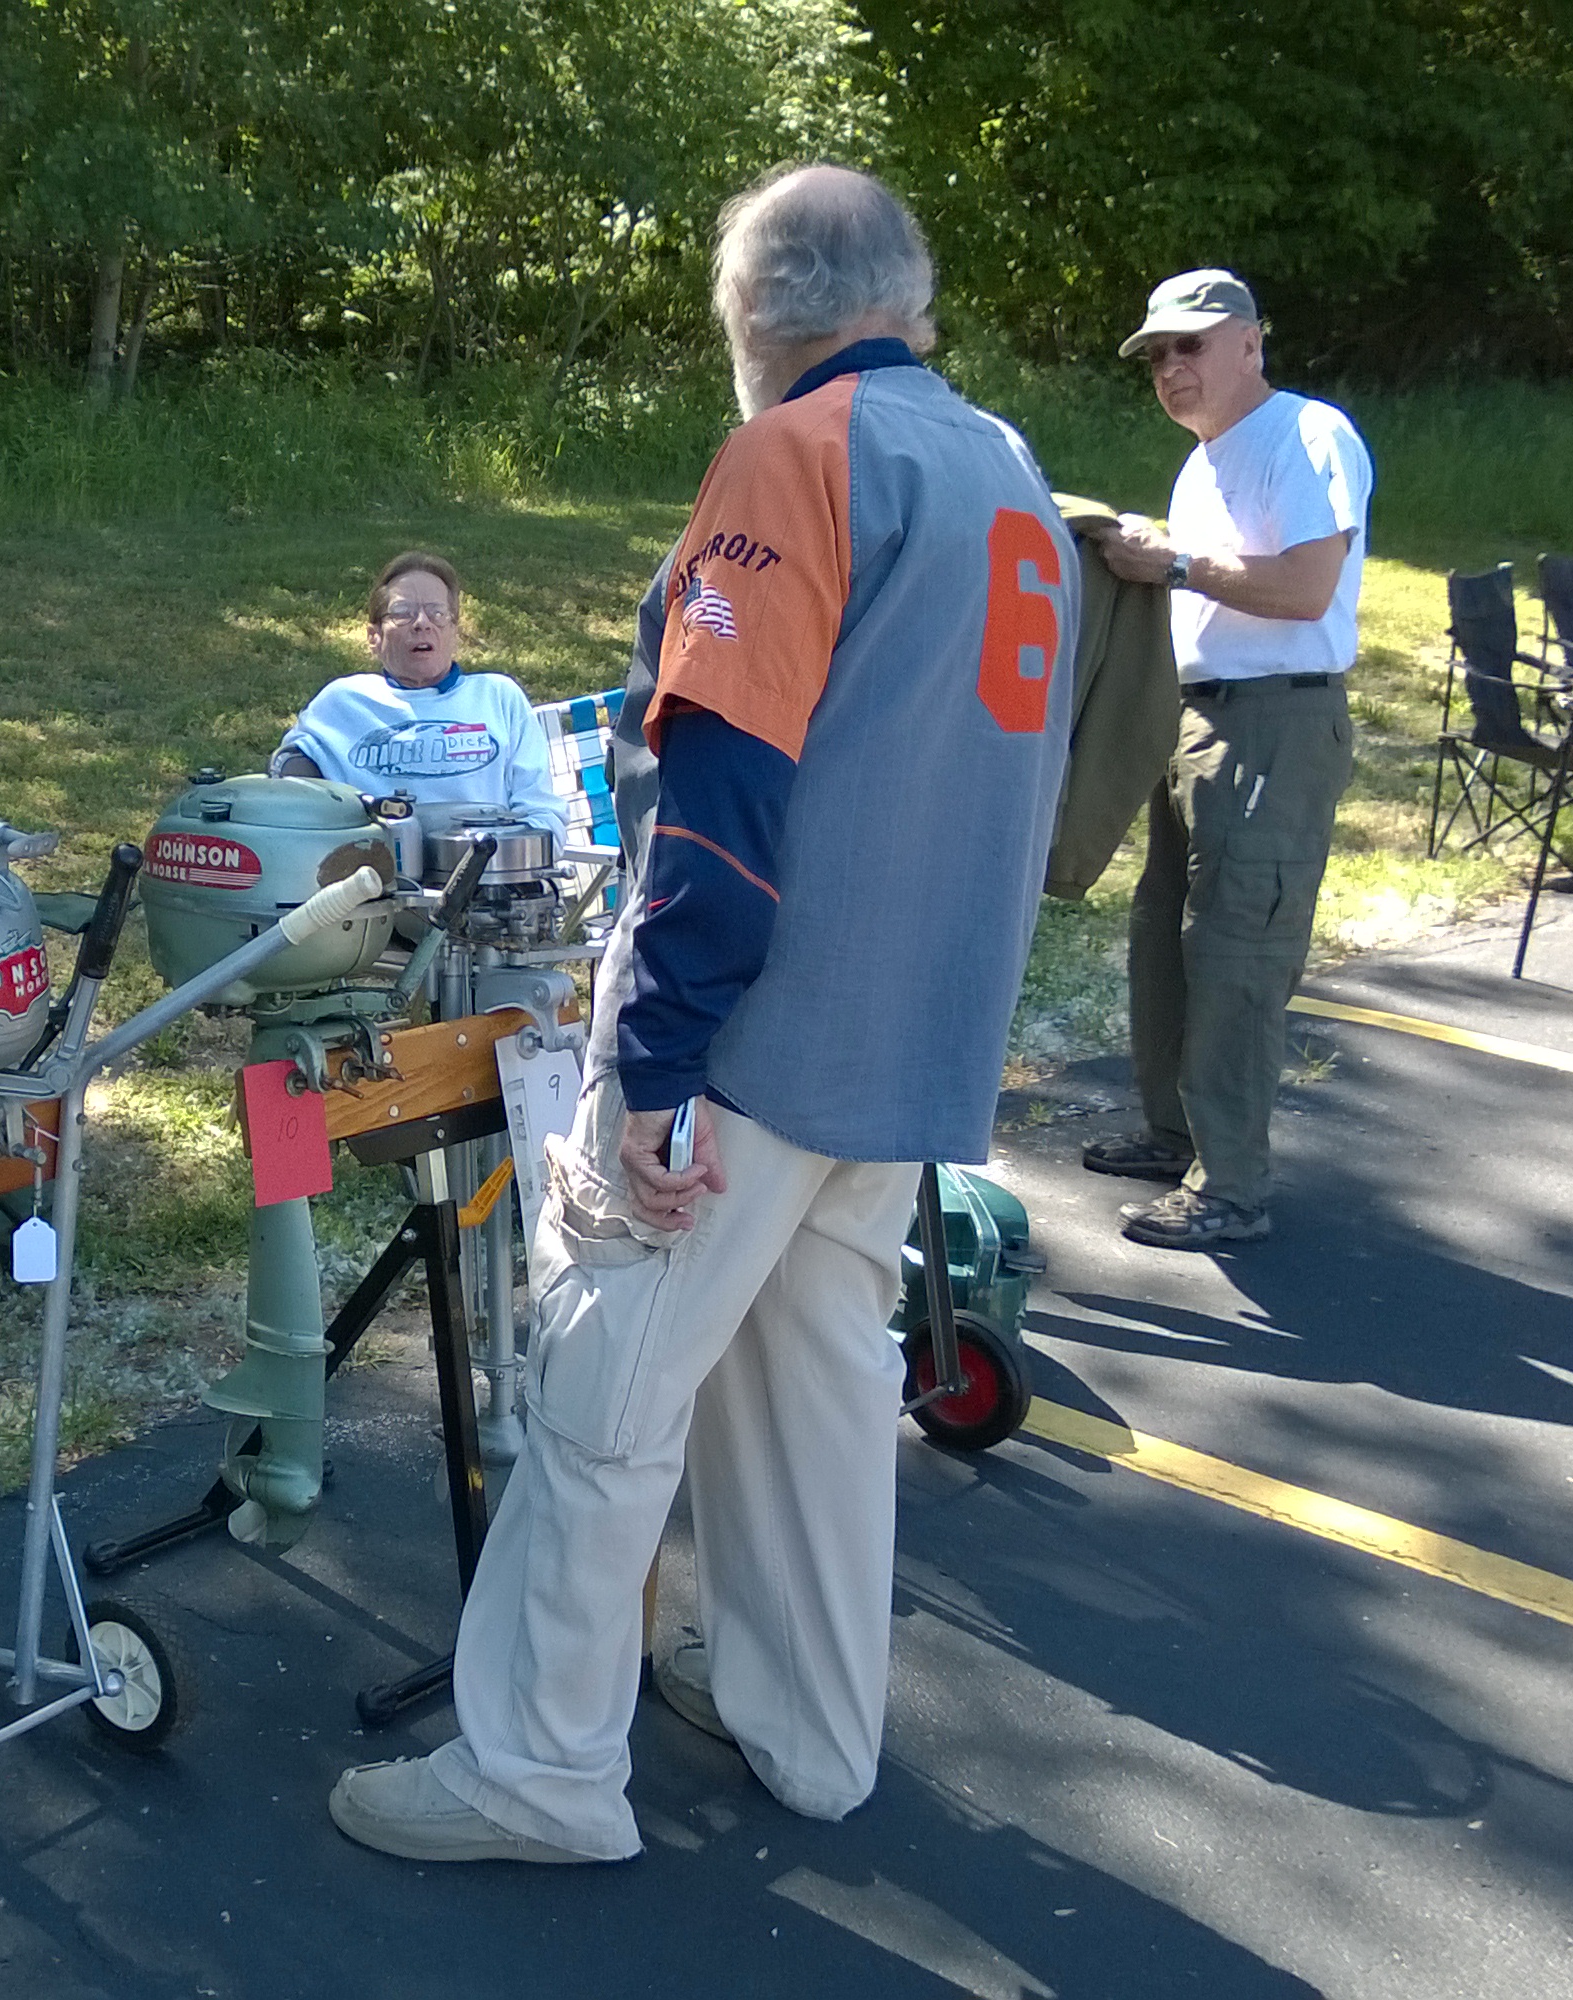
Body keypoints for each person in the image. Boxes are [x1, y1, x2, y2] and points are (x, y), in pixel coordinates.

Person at [322, 163, 1073, 1866]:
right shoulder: (1007, 469)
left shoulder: (795, 455)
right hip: (914, 1041)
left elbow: (723, 798)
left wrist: (651, 1062)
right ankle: (810, 1731)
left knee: (603, 1396)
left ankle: (536, 1771)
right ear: (908, 299)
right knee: (819, 1402)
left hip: (754, 1042)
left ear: (757, 309)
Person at [1082, 269, 1374, 1250]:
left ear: (1250, 342)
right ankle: (1176, 1137)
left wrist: (1172, 563)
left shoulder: (1307, 434)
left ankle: (1233, 1187)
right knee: (1166, 939)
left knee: (1239, 953)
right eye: (1157, 354)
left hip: (1275, 724)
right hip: (1198, 720)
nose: (1171, 367)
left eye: (1191, 345)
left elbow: (1305, 587)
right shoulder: (1204, 463)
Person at [272, 552, 567, 831]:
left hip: (484, 860)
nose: (422, 624)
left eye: (437, 613)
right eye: (403, 613)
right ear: (374, 637)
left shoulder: (499, 697)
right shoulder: (341, 703)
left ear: (454, 632)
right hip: (372, 863)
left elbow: (541, 812)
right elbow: (285, 785)